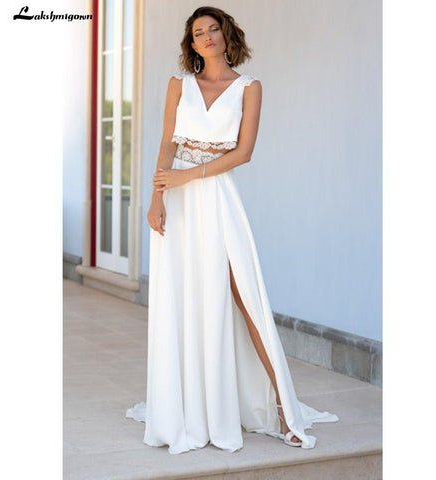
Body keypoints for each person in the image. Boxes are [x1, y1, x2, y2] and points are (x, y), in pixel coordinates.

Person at [126, 6, 338, 455]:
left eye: (212, 29)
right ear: (191, 43)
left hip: (218, 197)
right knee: (185, 296)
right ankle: (189, 408)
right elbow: (167, 142)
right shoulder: (178, 85)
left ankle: (284, 409)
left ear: (226, 35)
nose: (206, 37)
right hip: (176, 202)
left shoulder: (248, 87)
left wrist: (186, 178)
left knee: (244, 295)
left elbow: (243, 152)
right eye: (197, 32)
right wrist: (157, 197)